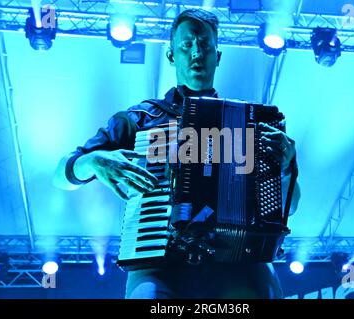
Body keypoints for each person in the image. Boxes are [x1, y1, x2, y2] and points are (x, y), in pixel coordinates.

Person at [53, 8, 300, 299]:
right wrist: (92, 161)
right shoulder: (142, 118)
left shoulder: (254, 125)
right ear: (172, 55)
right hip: (159, 260)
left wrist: (286, 169)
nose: (197, 52)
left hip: (239, 260)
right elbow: (61, 175)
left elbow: (291, 205)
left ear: (217, 56)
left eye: (205, 45)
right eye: (187, 45)